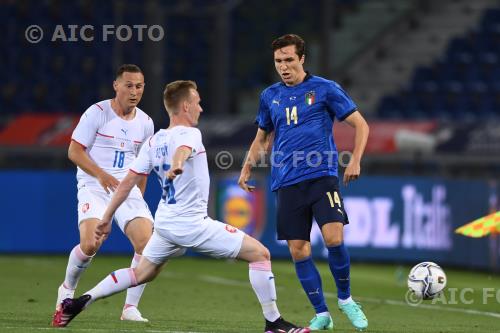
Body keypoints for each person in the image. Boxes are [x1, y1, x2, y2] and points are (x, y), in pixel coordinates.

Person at [51, 80, 310, 333]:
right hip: (192, 224)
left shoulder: (155, 140)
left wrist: (106, 217)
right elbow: (183, 150)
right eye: (197, 102)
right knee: (261, 254)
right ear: (185, 106)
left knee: (140, 273)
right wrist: (177, 163)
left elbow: (127, 182)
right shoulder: (190, 133)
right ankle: (274, 323)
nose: (201, 108)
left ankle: (79, 302)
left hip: (165, 224)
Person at [238, 34, 370, 331]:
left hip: (321, 176)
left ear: (302, 59)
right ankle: (322, 312)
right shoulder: (269, 96)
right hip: (286, 181)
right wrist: (247, 168)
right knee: (299, 250)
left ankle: (346, 299)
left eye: (288, 60)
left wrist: (356, 160)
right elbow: (262, 138)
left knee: (334, 238)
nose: (283, 67)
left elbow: (360, 124)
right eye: (278, 62)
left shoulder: (325, 89)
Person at [52, 64, 154, 325]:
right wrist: (101, 175)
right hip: (95, 186)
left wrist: (138, 198)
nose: (134, 91)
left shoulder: (146, 123)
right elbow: (74, 152)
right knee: (90, 244)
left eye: (139, 86)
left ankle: (130, 307)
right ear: (116, 85)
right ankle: (67, 291)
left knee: (147, 243)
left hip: (126, 189)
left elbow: (142, 167)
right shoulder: (96, 113)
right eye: (129, 85)